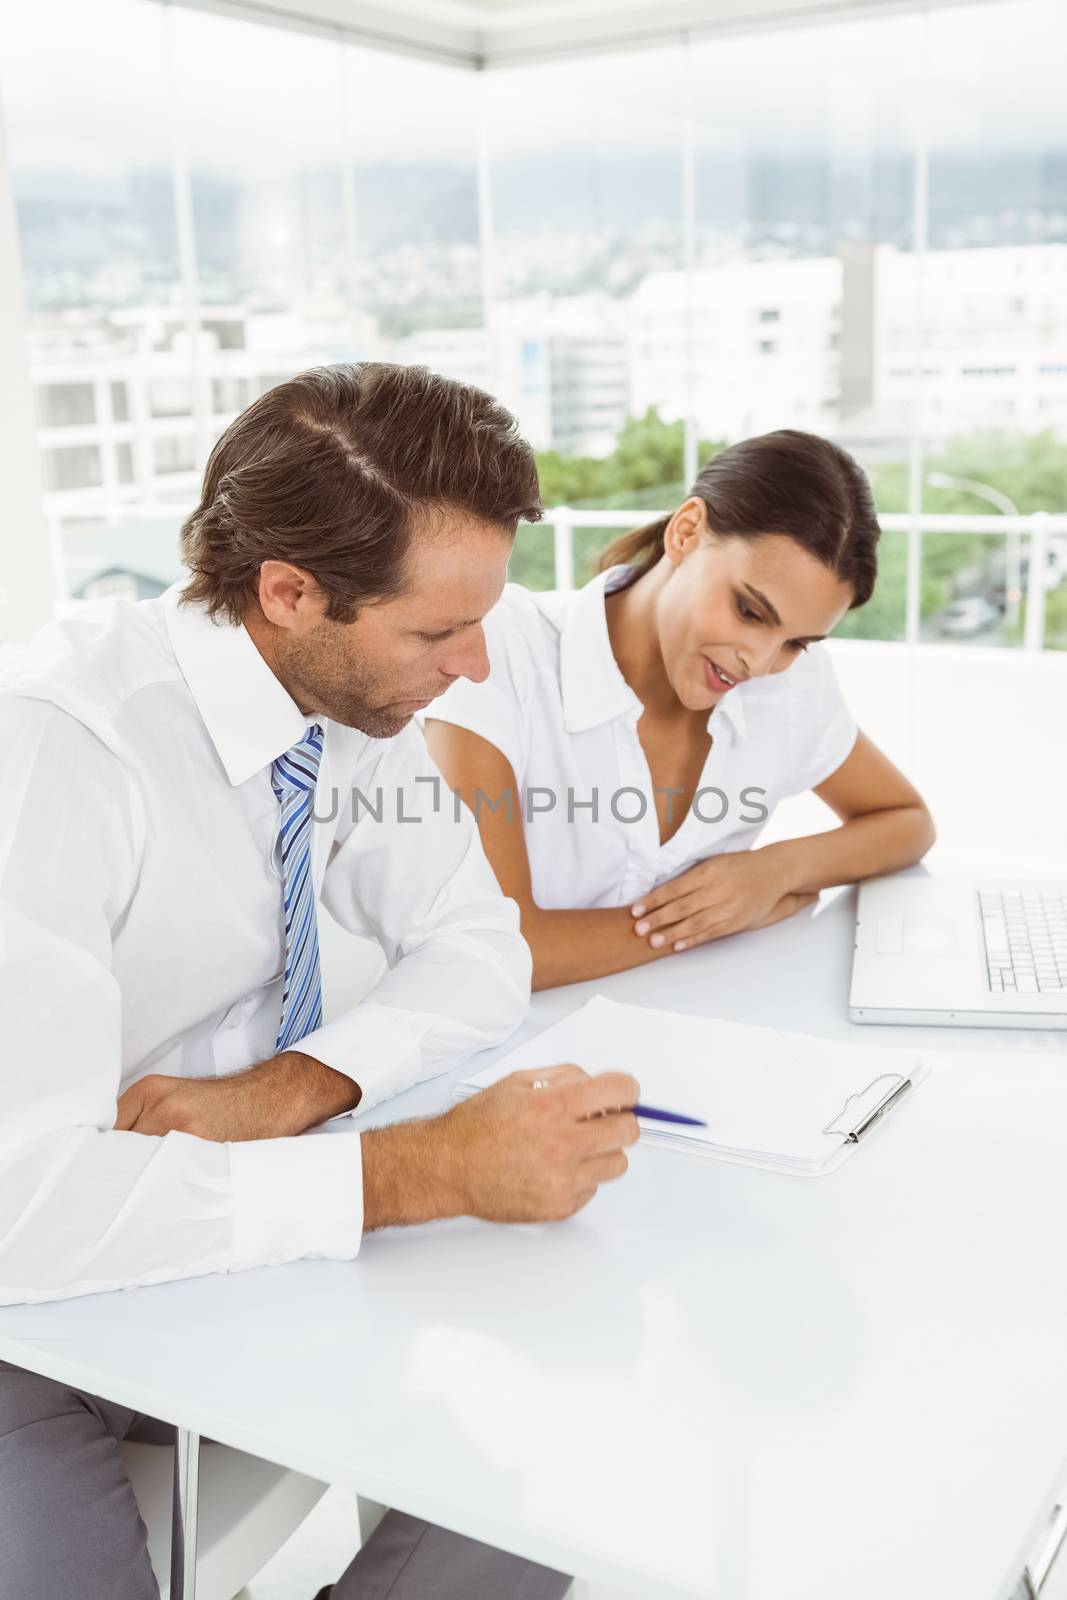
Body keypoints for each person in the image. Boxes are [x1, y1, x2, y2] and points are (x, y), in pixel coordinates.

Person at [0, 363, 639, 1600]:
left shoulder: (342, 701)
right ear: (288, 591)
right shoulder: (58, 755)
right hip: (23, 1316)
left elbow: (476, 941)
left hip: (230, 1225)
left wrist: (298, 1084)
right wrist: (422, 1169)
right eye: (435, 631)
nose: (474, 670)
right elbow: (19, 1217)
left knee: (573, 1454)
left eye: (482, 622)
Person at [426, 429, 935, 990]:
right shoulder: (499, 655)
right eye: (749, 611)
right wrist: (709, 921)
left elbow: (907, 822)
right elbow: (502, 947)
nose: (759, 663)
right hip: (508, 1052)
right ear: (687, 531)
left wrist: (773, 871)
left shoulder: (790, 687)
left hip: (698, 1027)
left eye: (797, 642)